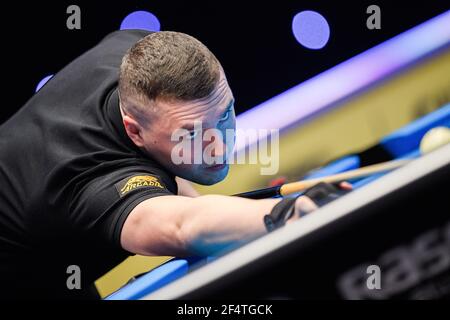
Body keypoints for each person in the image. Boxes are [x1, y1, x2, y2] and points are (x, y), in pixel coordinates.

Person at [0, 29, 350, 299]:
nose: (218, 146)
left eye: (225, 114)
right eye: (192, 135)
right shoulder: (85, 180)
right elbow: (181, 226)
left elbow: (178, 199)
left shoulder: (140, 52)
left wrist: (243, 219)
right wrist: (286, 214)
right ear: (134, 131)